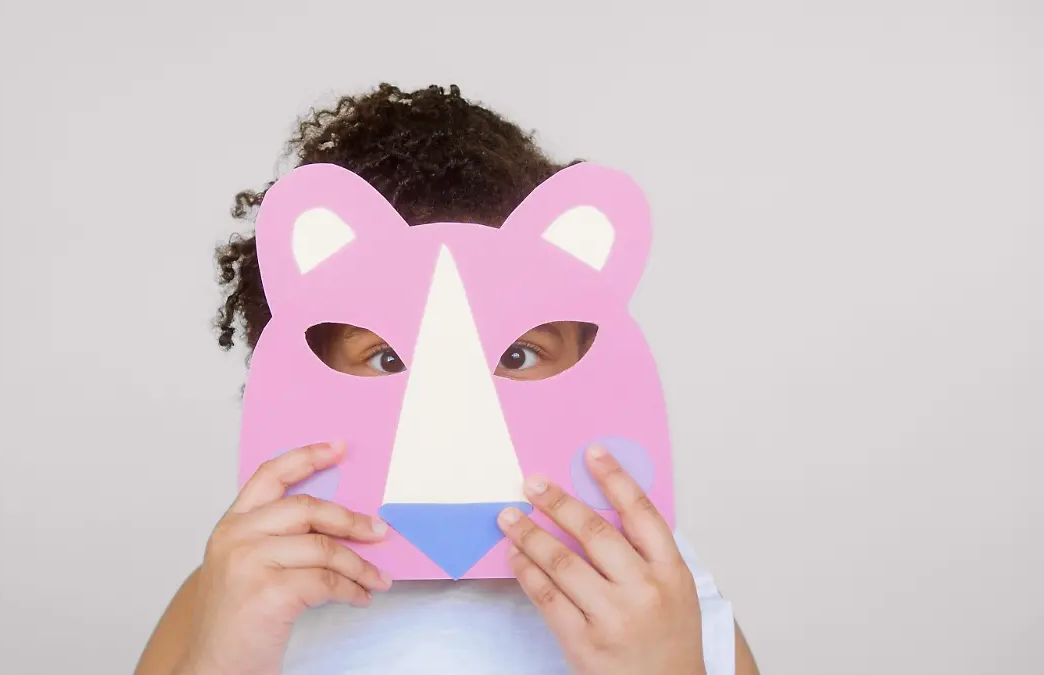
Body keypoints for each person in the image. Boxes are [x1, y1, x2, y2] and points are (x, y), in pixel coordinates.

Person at [135, 84, 760, 675]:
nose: (454, 420)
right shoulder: (243, 585)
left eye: (519, 356)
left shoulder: (659, 593)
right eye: (385, 359)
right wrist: (220, 659)